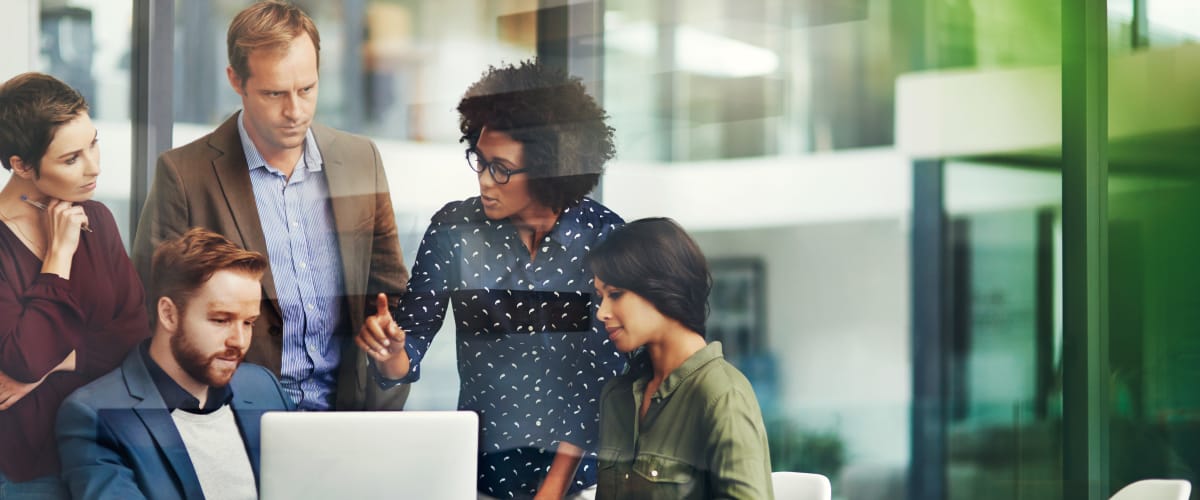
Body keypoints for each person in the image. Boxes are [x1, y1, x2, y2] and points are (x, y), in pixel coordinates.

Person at [356, 60, 624, 499]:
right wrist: (391, 352)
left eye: (500, 168)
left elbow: (605, 384)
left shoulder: (604, 239)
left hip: (581, 484)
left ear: (547, 168)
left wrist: (554, 487)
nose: (484, 180)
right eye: (478, 161)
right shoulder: (454, 231)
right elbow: (409, 349)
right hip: (481, 479)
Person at [131, 1, 410, 411]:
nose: (294, 111)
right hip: (231, 424)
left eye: (307, 90)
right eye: (274, 93)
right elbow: (152, 315)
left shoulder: (360, 160)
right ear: (236, 81)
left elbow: (391, 296)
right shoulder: (184, 175)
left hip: (346, 421)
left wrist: (389, 348)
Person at [57, 228, 293, 500]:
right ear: (169, 314)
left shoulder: (264, 387)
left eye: (248, 322)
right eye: (220, 320)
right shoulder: (95, 415)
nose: (239, 341)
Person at [0, 72, 149, 498]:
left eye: (94, 143)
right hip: (27, 470)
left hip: (107, 450)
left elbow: (134, 338)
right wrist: (58, 258)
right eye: (71, 159)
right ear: (22, 165)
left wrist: (60, 361)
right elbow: (25, 357)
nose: (94, 166)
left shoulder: (97, 220)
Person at [587, 218, 774, 500]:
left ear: (662, 288)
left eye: (615, 294)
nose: (601, 312)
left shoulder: (723, 397)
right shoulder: (617, 396)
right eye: (600, 297)